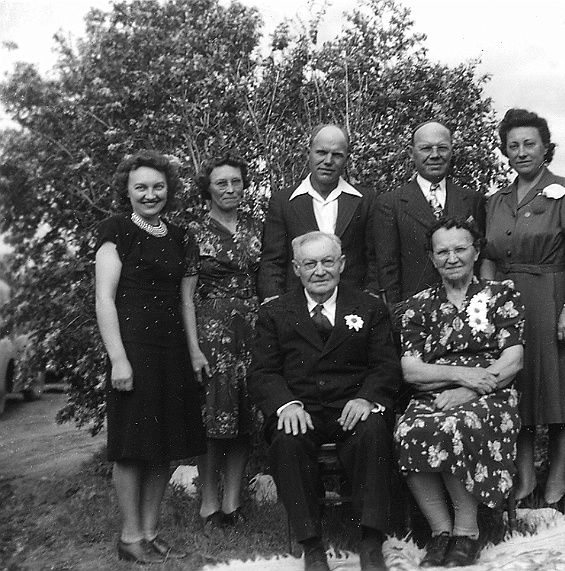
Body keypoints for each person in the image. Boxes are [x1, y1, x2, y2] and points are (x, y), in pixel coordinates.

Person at [249, 231, 401, 571]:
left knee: (374, 430)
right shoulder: (275, 313)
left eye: (327, 261)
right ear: (296, 269)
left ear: (342, 264)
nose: (320, 271)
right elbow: (262, 372)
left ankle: (371, 541)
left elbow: (386, 366)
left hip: (352, 408)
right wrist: (285, 405)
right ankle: (313, 546)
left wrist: (367, 399)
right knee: (287, 440)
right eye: (310, 264)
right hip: (302, 408)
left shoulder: (369, 307)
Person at [481, 109, 565, 509]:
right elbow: (488, 258)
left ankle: (558, 480)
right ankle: (526, 479)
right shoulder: (494, 201)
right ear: (504, 151)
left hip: (553, 295)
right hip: (509, 303)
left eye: (530, 143)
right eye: (513, 145)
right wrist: (488, 306)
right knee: (521, 391)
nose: (521, 151)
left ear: (546, 147)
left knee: (564, 389)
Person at [95, 151, 205, 563]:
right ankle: (128, 536)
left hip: (173, 350)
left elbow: (186, 302)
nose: (150, 194)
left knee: (165, 445)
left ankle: (150, 530)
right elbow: (104, 299)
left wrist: (194, 352)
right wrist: (118, 359)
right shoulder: (116, 229)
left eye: (158, 186)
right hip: (134, 349)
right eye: (141, 186)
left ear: (168, 189)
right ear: (127, 190)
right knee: (132, 446)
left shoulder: (180, 236)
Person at [395, 217, 524, 568]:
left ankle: (467, 534)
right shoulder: (417, 306)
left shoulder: (501, 294)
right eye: (443, 251)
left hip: (492, 395)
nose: (452, 258)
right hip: (442, 393)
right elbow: (411, 370)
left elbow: (512, 360)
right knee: (409, 430)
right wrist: (463, 375)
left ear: (476, 250)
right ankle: (441, 532)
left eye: (460, 249)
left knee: (456, 425)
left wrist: (471, 389)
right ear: (433, 258)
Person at [181, 155, 262, 528]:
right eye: (221, 184)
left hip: (251, 330)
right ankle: (208, 504)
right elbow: (186, 294)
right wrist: (194, 348)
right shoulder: (193, 232)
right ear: (208, 189)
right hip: (212, 333)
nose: (230, 189)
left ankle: (233, 504)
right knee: (214, 419)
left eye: (236, 182)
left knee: (245, 417)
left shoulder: (256, 227)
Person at [258, 124, 377, 300]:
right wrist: (274, 301)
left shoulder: (365, 200)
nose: (328, 161)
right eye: (321, 152)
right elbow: (273, 260)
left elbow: (374, 257)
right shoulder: (284, 202)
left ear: (346, 159)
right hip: (297, 308)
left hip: (352, 307)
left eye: (337, 155)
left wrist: (370, 297)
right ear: (309, 153)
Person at [374, 121, 486, 307]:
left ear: (451, 151)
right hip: (416, 312)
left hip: (469, 310)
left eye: (442, 148)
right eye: (426, 148)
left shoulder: (474, 200)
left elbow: (480, 258)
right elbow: (388, 269)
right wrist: (396, 316)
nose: (435, 155)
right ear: (412, 153)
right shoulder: (390, 204)